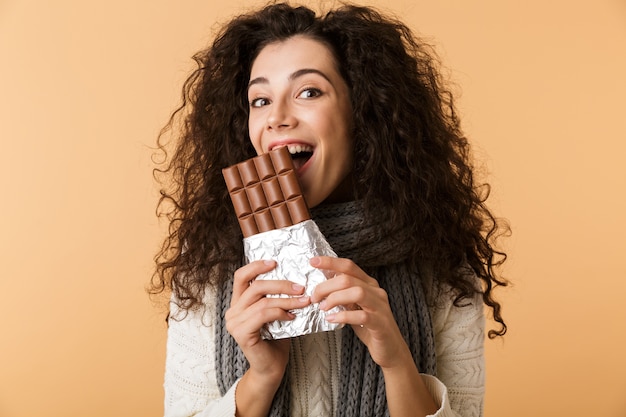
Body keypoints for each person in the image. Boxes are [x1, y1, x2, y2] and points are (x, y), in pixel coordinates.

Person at [150, 2, 509, 417]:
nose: (277, 118)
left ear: (363, 112)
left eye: (309, 92)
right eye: (260, 100)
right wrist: (261, 377)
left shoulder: (441, 263)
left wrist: (396, 361)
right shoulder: (208, 268)